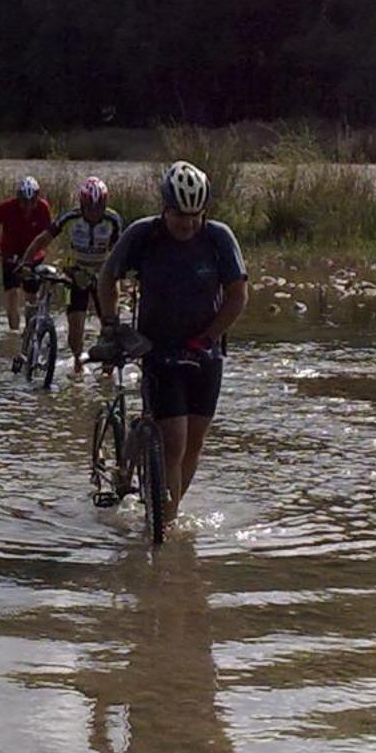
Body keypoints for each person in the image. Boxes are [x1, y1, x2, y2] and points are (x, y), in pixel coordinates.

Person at [92, 161, 248, 517]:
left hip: (204, 350)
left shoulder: (219, 237)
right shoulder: (142, 235)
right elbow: (107, 278)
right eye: (180, 215)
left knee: (194, 441)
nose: (188, 223)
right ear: (165, 208)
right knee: (174, 441)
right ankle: (166, 529)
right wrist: (112, 325)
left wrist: (209, 335)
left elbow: (237, 295)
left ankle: (167, 508)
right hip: (157, 348)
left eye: (196, 215)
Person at [22, 174, 124, 371]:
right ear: (82, 205)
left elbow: (121, 251)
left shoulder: (113, 220)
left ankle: (108, 374)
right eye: (90, 209)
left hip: (103, 275)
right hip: (76, 274)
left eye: (99, 208)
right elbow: (42, 240)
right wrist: (26, 262)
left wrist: (126, 275)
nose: (94, 213)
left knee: (110, 327)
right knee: (75, 331)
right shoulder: (70, 217)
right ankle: (78, 364)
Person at [0, 175, 54, 338]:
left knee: (31, 296)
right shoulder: (8, 207)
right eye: (23, 202)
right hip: (11, 253)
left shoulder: (43, 208)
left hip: (33, 256)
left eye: (31, 202)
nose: (27, 207)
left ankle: (30, 333)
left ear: (36, 199)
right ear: (18, 199)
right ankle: (14, 333)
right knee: (12, 294)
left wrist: (37, 254)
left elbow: (49, 233)